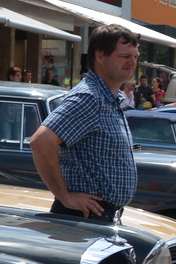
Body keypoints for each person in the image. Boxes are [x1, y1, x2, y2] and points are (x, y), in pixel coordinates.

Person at [28, 23, 139, 225]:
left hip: (100, 217)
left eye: (135, 57)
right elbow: (41, 141)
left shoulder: (110, 97)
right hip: (84, 218)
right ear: (100, 56)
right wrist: (65, 196)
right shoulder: (90, 98)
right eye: (124, 56)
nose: (132, 62)